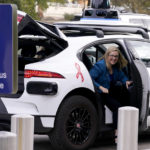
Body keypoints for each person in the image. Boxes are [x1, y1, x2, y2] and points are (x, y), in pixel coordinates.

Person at [90, 46, 132, 142]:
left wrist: (126, 81)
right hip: (99, 93)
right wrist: (100, 87)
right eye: (112, 56)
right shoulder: (100, 66)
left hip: (109, 92)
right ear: (107, 55)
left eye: (116, 56)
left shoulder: (115, 67)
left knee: (123, 103)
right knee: (117, 107)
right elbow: (90, 78)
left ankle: (121, 130)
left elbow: (122, 76)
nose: (114, 58)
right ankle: (116, 133)